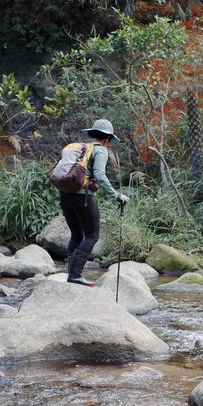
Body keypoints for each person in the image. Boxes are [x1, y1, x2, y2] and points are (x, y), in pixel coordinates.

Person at [61, 118, 130, 285]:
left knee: (77, 235)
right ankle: (75, 275)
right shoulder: (100, 150)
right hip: (83, 197)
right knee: (92, 235)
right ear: (106, 138)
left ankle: (72, 274)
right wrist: (115, 195)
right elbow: (99, 174)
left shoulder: (80, 148)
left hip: (65, 195)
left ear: (92, 134)